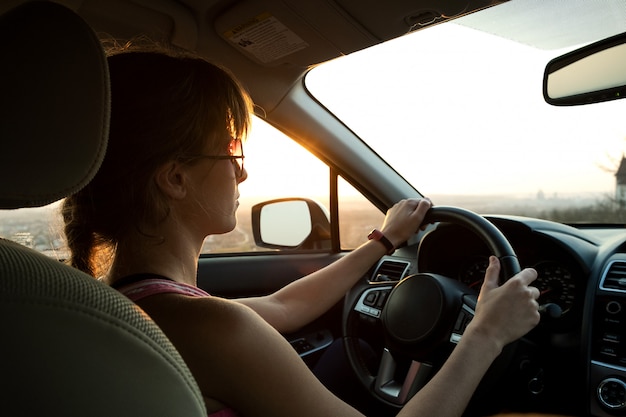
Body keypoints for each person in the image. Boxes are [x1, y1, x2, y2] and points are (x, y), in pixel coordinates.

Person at [62, 44, 541, 417]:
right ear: (175, 178)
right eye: (232, 151)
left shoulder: (128, 302)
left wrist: (384, 241)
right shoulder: (212, 328)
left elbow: (284, 306)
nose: (242, 174)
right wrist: (485, 336)